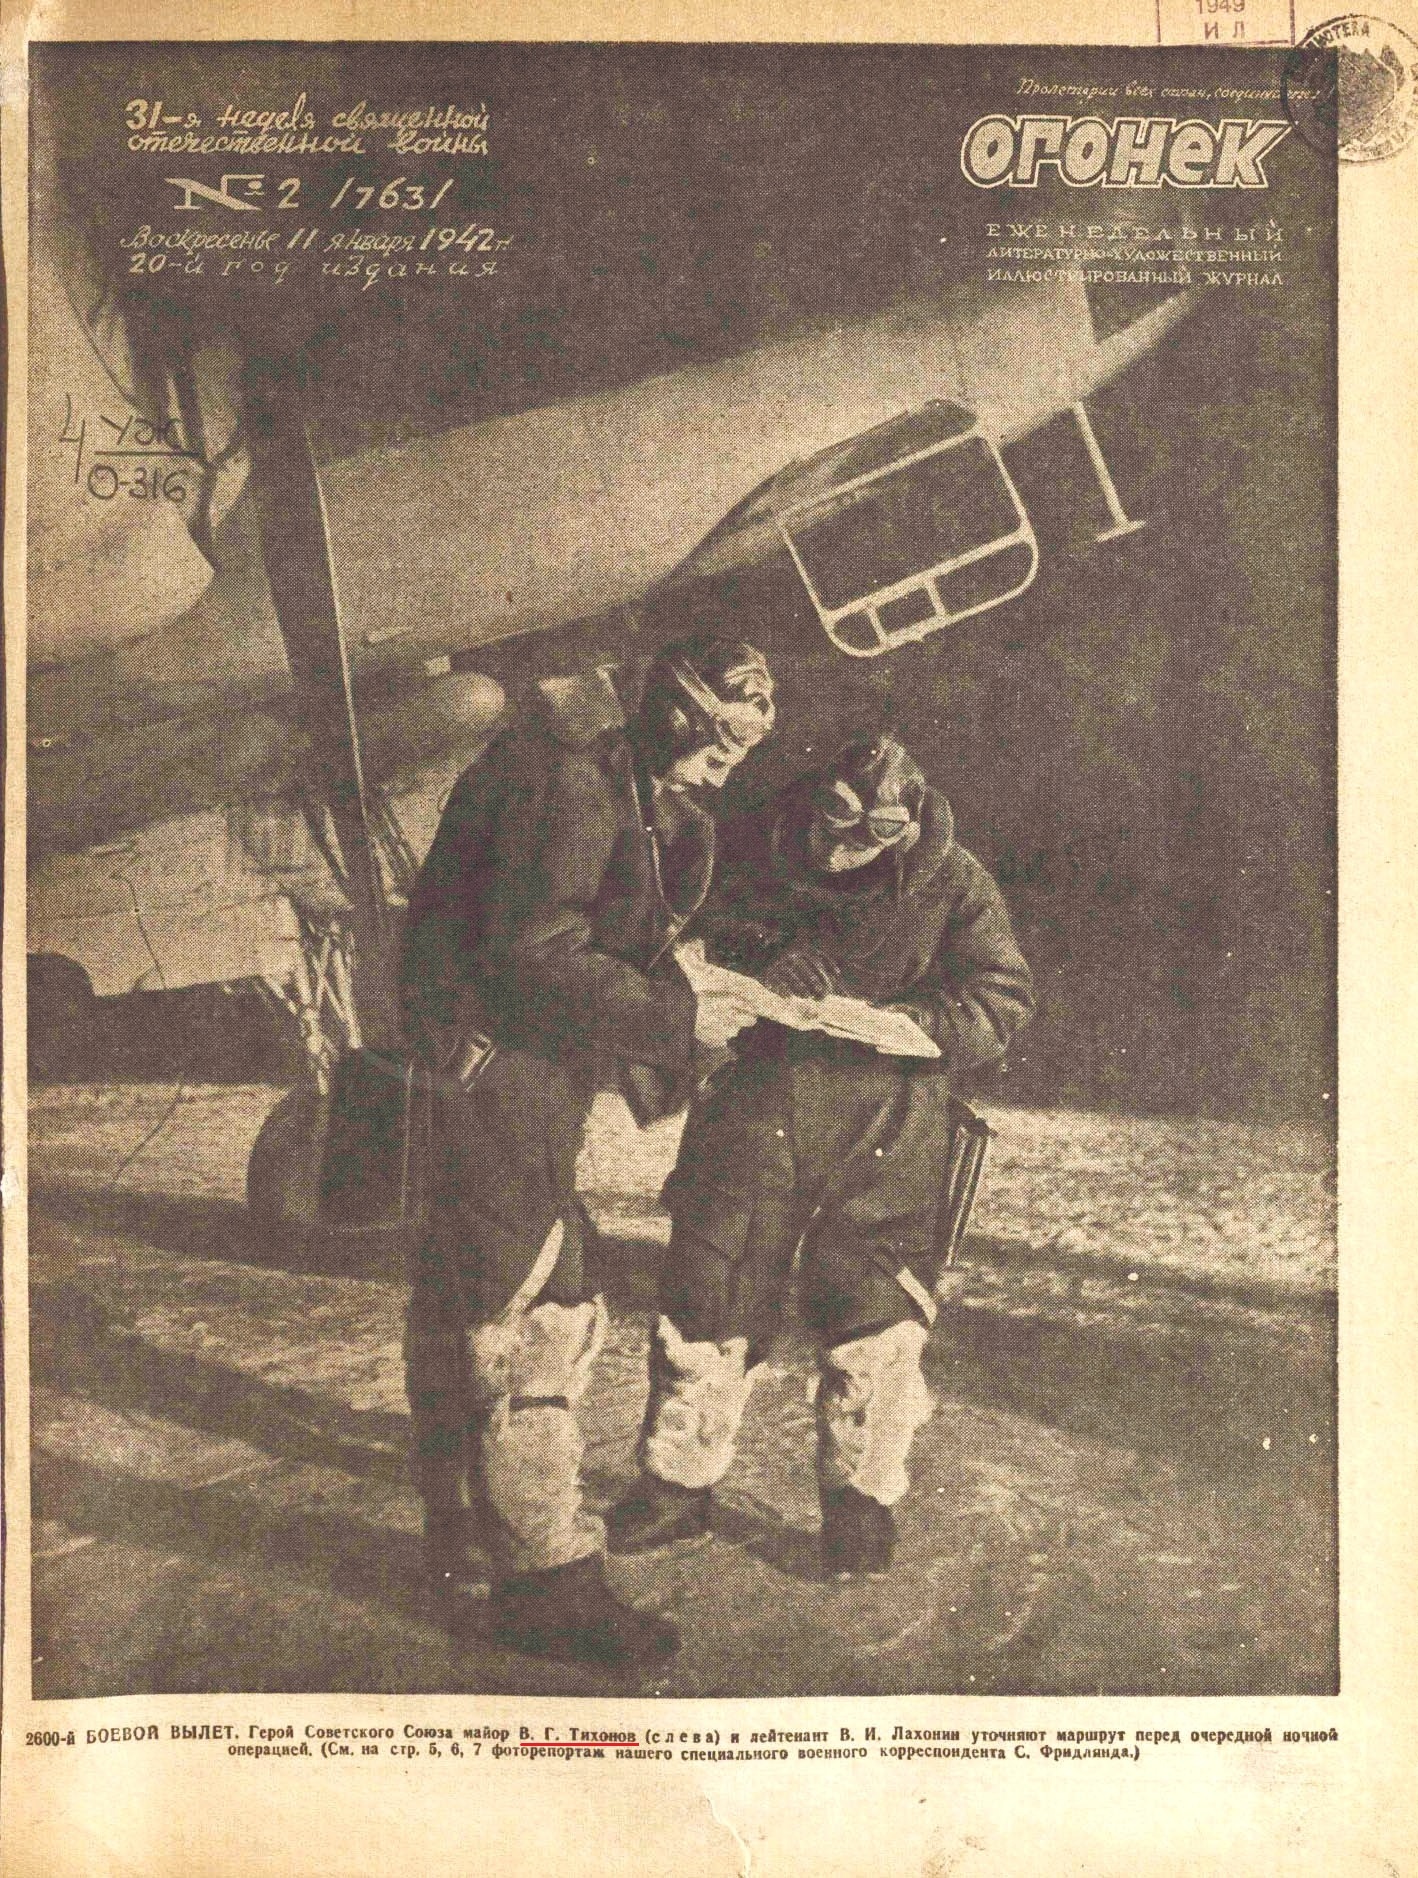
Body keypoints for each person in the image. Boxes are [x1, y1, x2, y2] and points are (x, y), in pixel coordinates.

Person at [398, 635, 775, 1668]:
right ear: (676, 713)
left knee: (470, 1298)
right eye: (721, 736)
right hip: (499, 1079)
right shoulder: (570, 784)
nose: (729, 759)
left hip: (493, 1075)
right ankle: (544, 1584)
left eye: (747, 743)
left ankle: (461, 1541)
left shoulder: (596, 774)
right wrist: (677, 1016)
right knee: (536, 1313)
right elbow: (535, 952)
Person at [607, 732, 1035, 1578]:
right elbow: (675, 941)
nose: (846, 847)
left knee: (873, 1308)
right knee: (713, 1288)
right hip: (755, 1104)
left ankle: (859, 1504)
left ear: (908, 827)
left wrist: (908, 1022)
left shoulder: (955, 883)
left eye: (876, 832)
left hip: (886, 1121)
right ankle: (679, 1484)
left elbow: (1002, 996)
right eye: (834, 820)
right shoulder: (746, 848)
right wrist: (762, 959)